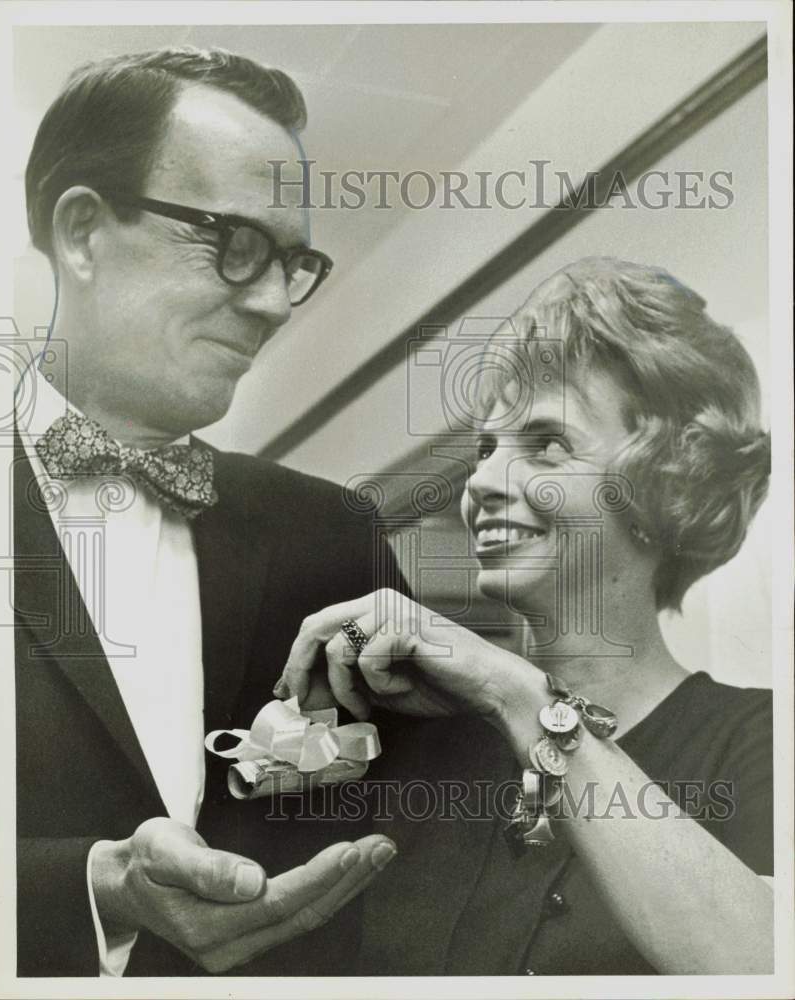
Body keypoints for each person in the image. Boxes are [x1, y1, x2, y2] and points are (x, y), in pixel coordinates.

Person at [14, 47, 402, 978]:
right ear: (83, 233)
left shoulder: (334, 535)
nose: (273, 303)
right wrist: (89, 890)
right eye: (234, 243)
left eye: (293, 261)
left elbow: (417, 824)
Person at [277, 257, 774, 975]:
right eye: (485, 449)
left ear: (667, 479)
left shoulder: (756, 744)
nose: (479, 482)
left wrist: (518, 695)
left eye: (544, 444)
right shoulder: (415, 748)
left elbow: (763, 962)